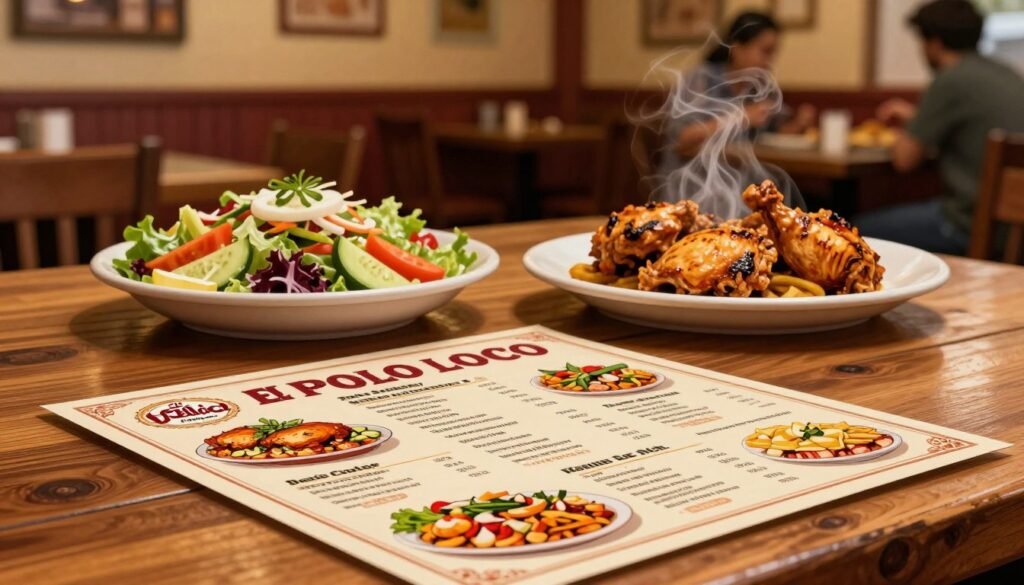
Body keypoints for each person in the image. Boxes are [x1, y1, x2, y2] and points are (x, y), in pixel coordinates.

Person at [859, 0, 1024, 255]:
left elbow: (904, 160)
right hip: (1014, 231)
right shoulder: (1008, 74)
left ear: (934, 44)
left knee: (855, 229)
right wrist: (916, 117)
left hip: (970, 225)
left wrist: (907, 128)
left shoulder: (950, 79)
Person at [662, 12, 816, 163]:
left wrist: (799, 123)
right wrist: (740, 117)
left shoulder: (759, 88)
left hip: (738, 180)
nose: (770, 61)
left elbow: (775, 135)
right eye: (765, 51)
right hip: (693, 182)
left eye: (773, 53)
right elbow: (680, 140)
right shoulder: (701, 78)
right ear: (737, 49)